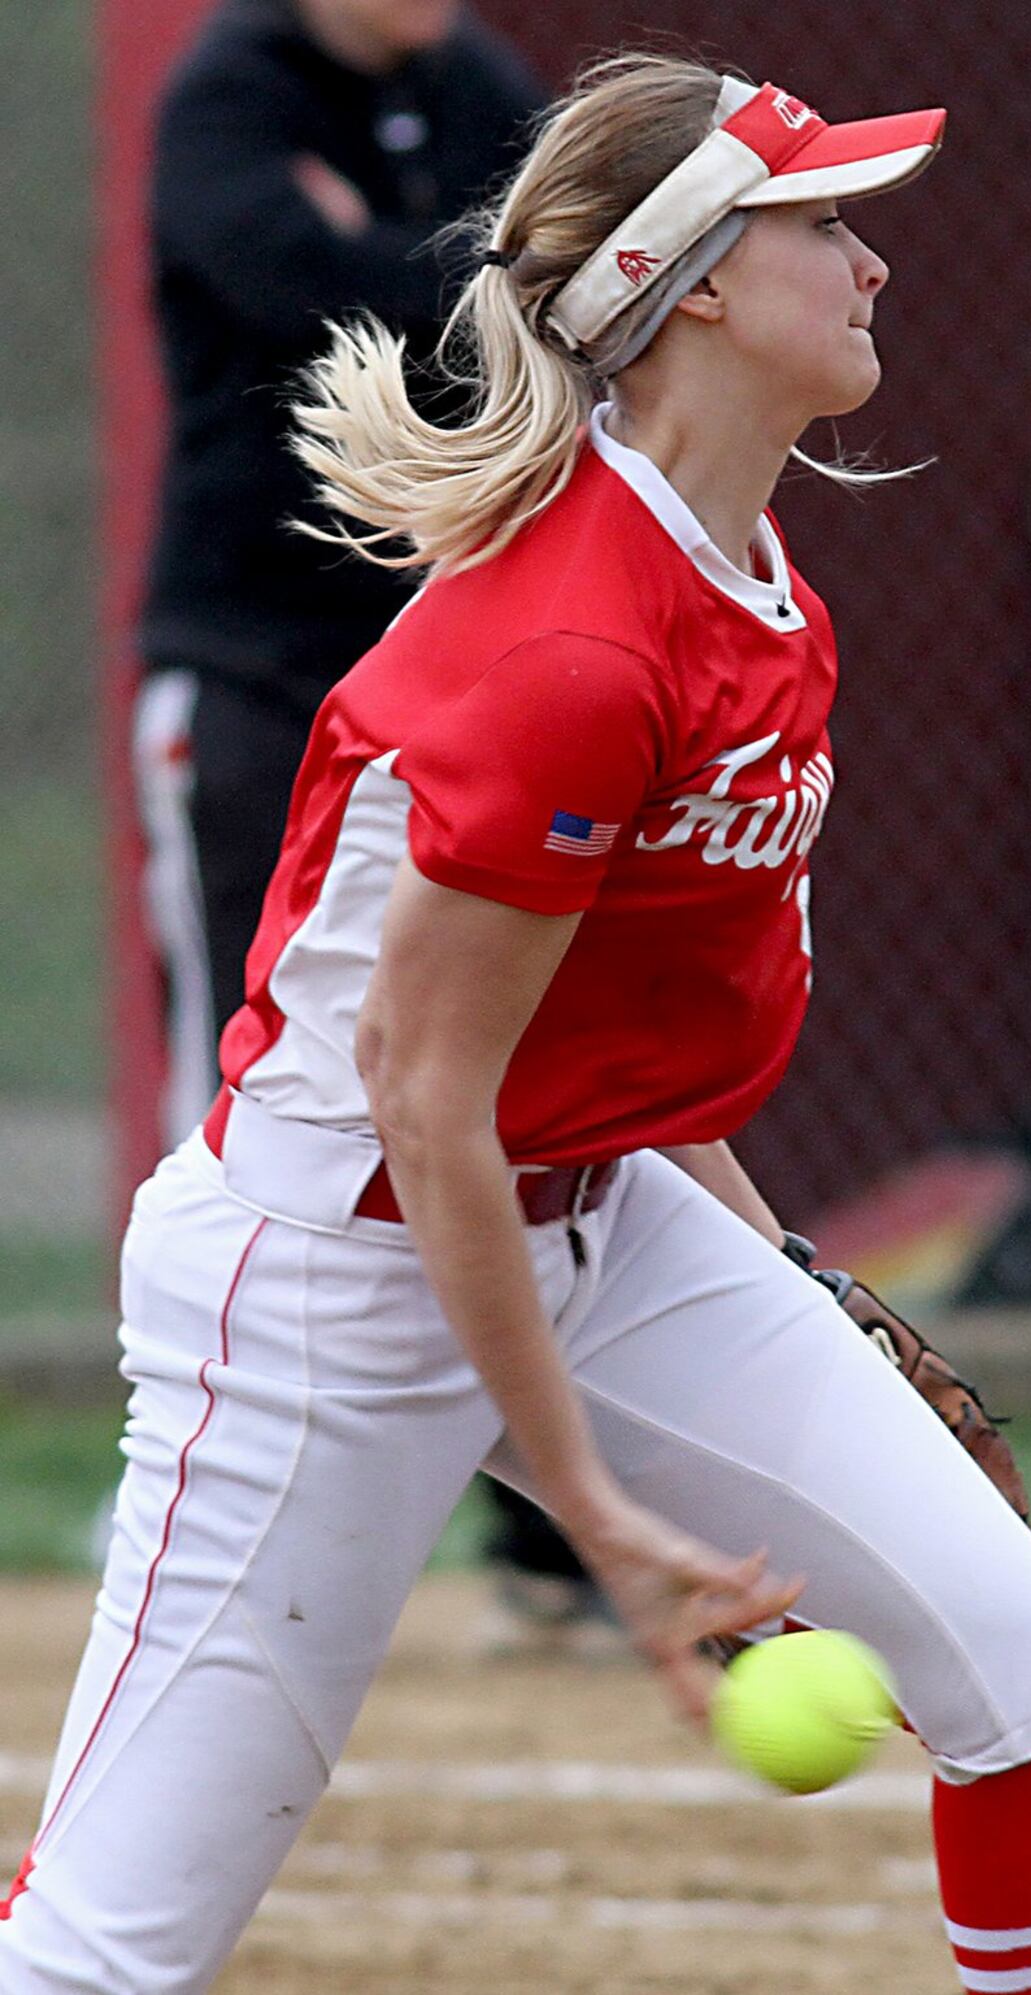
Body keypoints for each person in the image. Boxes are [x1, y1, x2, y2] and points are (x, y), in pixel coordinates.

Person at [1, 53, 1031, 1993]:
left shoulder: (758, 584)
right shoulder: (567, 647)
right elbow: (424, 1101)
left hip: (601, 1211)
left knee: (1022, 1661)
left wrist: (794, 1282)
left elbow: (620, 1041)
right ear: (686, 278)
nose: (869, 266)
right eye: (819, 227)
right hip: (331, 1281)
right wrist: (601, 1516)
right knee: (118, 1946)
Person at [133, 0, 599, 1639]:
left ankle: (550, 1533)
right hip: (256, 676)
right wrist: (438, 267)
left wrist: (408, 259)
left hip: (448, 682)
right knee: (255, 1095)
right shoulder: (229, 93)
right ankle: (218, 1491)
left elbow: (553, 300)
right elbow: (319, 312)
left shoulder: (478, 83)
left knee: (506, 1086)